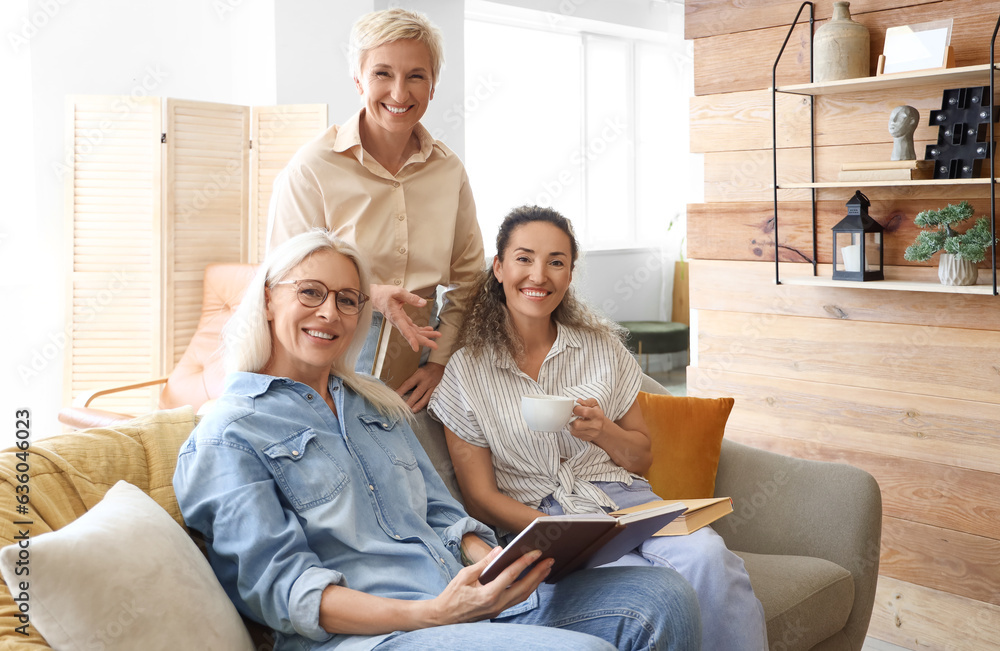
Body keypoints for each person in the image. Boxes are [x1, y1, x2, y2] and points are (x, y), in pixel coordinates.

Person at [172, 229, 702, 651]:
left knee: (662, 595)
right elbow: (288, 595)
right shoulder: (229, 435)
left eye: (348, 300)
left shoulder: (373, 404)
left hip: (466, 597)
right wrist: (432, 613)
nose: (330, 313)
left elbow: (445, 515)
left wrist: (491, 566)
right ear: (267, 300)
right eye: (310, 292)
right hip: (380, 633)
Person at [428, 206, 769, 651]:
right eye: (524, 258)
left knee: (710, 557)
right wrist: (558, 532)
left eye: (556, 262)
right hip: (546, 521)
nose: (539, 275)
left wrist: (603, 431)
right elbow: (479, 496)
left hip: (627, 502)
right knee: (655, 589)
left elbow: (641, 456)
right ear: (499, 268)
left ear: (569, 275)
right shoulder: (465, 372)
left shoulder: (602, 348)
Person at [266, 8, 482, 412]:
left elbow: (468, 283)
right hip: (329, 355)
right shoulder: (313, 166)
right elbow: (281, 278)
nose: (399, 94)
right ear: (358, 79)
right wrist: (366, 295)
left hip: (421, 364)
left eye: (416, 76)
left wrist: (439, 364)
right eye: (383, 74)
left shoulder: (449, 171)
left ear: (433, 86)